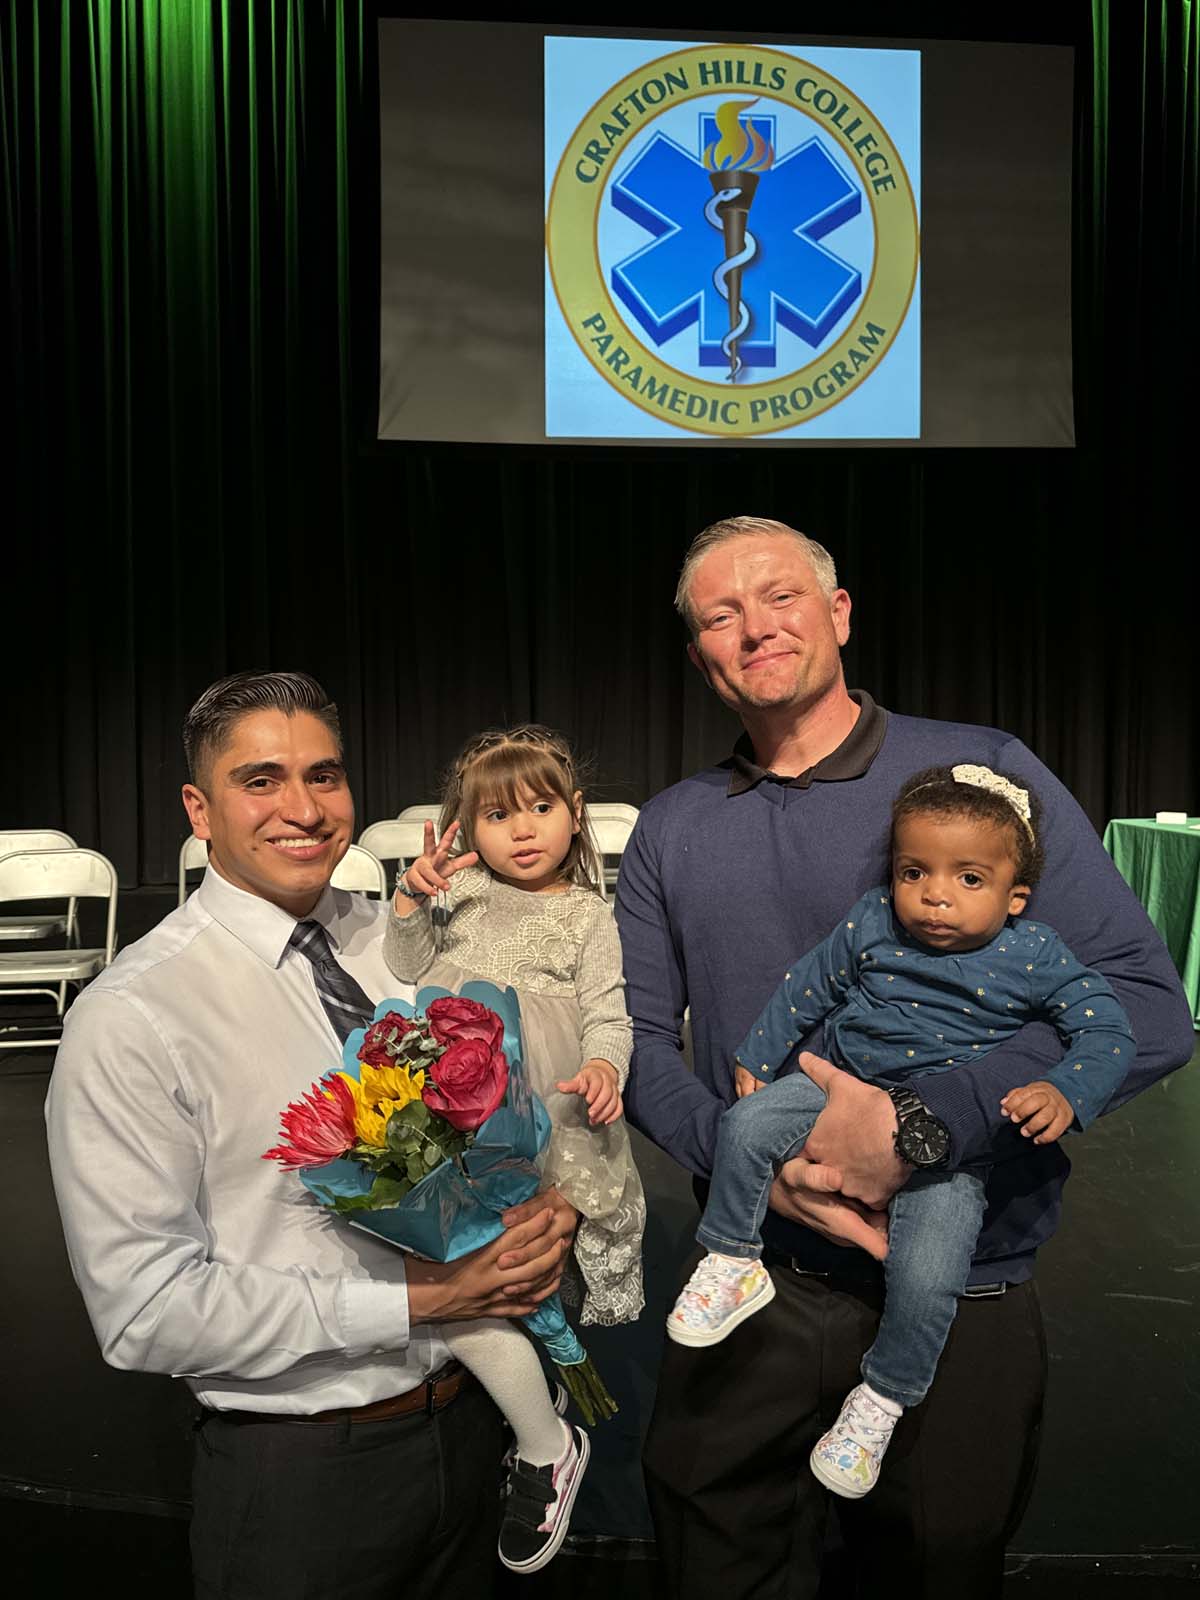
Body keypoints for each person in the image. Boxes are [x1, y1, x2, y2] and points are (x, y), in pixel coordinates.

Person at [617, 517, 1194, 1600]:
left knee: (933, 1570)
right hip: (754, 1288)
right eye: (720, 615)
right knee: (712, 1564)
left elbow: (1146, 1007)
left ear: (838, 614)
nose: (755, 628)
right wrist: (768, 1168)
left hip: (955, 1283)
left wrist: (920, 1129)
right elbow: (642, 1044)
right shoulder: (672, 828)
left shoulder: (983, 776)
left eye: (779, 595)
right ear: (700, 655)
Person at [45, 672, 577, 1600]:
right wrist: (422, 1298)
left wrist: (543, 1207)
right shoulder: (134, 1014)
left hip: (475, 1429)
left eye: (324, 776)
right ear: (197, 808)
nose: (303, 808)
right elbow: (144, 1311)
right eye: (261, 780)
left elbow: (507, 1114)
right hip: (308, 1476)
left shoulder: (405, 944)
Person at [667, 763, 1134, 1501]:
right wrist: (758, 1050)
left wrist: (1065, 1091)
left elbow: (1110, 1029)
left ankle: (882, 1400)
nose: (936, 893)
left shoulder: (1037, 953)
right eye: (915, 870)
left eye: (969, 879)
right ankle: (731, 1258)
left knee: (928, 1274)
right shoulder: (874, 919)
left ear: (1017, 897)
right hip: (836, 1091)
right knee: (746, 1123)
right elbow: (809, 983)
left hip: (950, 1155)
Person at [383, 723, 646, 1576]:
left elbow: (610, 1012)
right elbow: (406, 964)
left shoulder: (586, 917)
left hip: (549, 1118)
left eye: (540, 808)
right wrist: (412, 902)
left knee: (533, 1267)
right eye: (497, 816)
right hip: (459, 1108)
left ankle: (540, 1425)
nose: (522, 830)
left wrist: (606, 1064)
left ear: (576, 816)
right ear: (466, 827)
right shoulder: (458, 895)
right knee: (470, 1272)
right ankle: (535, 1431)